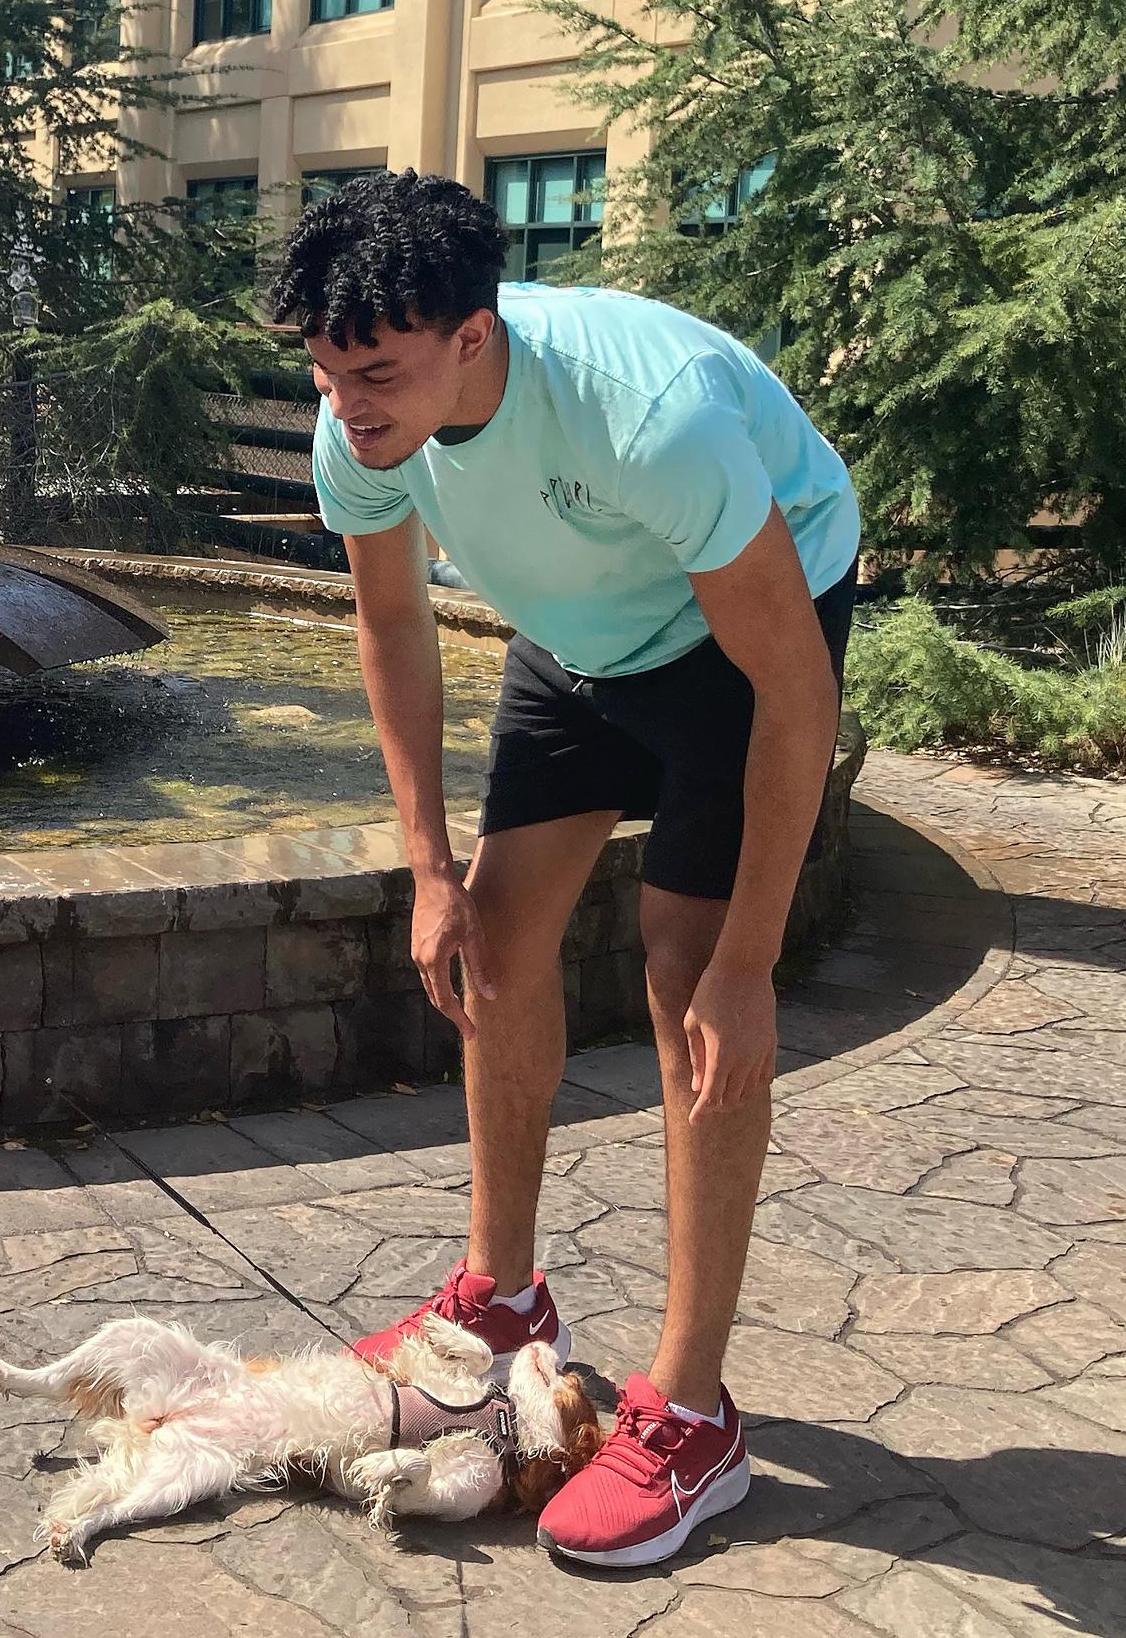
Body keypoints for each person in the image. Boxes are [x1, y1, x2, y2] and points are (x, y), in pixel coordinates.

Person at [272, 171, 860, 1569]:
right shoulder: (359, 427)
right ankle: (504, 1299)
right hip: (579, 641)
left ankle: (695, 1415)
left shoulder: (648, 419)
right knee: (493, 937)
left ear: (474, 336)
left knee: (684, 983)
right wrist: (427, 868)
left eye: (376, 373)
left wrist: (751, 961)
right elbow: (394, 629)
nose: (347, 405)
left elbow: (797, 692)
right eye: (326, 372)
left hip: (736, 649)